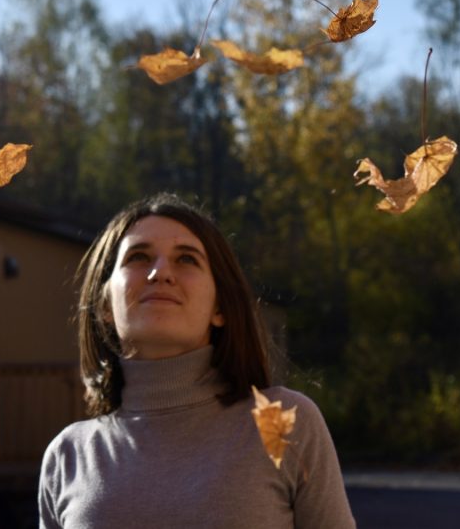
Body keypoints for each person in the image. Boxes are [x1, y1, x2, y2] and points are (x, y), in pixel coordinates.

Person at [38, 193, 356, 528]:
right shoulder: (67, 456)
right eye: (139, 257)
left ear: (220, 308)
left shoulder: (285, 422)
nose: (160, 273)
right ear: (104, 307)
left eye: (187, 260)